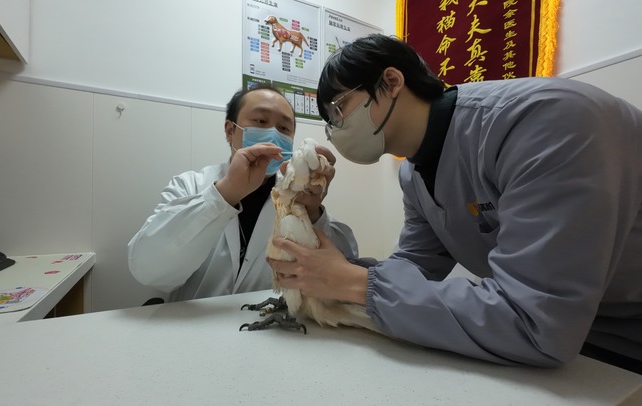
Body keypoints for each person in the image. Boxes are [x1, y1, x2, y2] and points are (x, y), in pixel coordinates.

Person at [268, 34, 642, 373]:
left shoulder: (546, 122)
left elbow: (536, 321)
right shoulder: (413, 173)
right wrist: (318, 241)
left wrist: (355, 283)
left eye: (338, 109)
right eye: (329, 122)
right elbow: (414, 268)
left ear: (392, 82)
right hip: (570, 351)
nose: (335, 131)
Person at [128, 84, 358, 302]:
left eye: (284, 128)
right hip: (191, 326)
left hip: (266, 326)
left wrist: (313, 214)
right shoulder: (190, 185)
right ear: (230, 130)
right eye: (261, 121)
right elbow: (148, 270)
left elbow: (345, 269)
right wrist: (224, 195)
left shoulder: (298, 196)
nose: (273, 134)